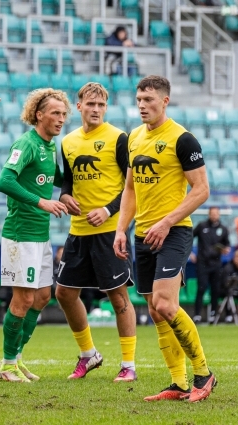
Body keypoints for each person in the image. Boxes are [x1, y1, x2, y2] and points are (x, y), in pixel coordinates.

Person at [113, 75, 216, 403]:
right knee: (155, 311)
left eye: (149, 100)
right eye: (139, 100)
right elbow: (130, 188)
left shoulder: (183, 139)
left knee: (165, 304)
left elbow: (202, 190)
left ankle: (204, 373)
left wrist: (167, 221)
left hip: (174, 231)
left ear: (165, 101)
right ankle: (179, 383)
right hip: (143, 235)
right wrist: (121, 229)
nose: (142, 106)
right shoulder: (133, 138)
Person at [56, 82, 137, 383]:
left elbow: (132, 188)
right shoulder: (67, 142)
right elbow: (66, 181)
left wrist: (107, 209)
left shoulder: (118, 139)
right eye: (90, 104)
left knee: (118, 299)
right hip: (78, 232)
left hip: (109, 232)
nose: (95, 110)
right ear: (79, 107)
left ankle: (128, 364)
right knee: (63, 293)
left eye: (101, 105)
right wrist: (65, 197)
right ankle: (88, 354)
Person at [0, 88, 69, 383]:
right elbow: (4, 180)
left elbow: (57, 178)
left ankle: (16, 357)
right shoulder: (26, 143)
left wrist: (67, 194)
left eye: (64, 114)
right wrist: (42, 201)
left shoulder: (50, 146)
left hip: (41, 234)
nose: (61, 119)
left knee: (42, 296)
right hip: (21, 234)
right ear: (39, 115)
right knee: (24, 299)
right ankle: (7, 364)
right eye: (55, 113)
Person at [191, 206, 230, 323]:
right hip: (202, 263)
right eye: (212, 213)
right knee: (201, 288)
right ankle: (197, 315)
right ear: (209, 214)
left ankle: (213, 314)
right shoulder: (202, 226)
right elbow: (189, 237)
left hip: (216, 263)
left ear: (219, 215)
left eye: (216, 213)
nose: (214, 215)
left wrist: (225, 250)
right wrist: (190, 253)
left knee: (215, 289)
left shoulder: (223, 229)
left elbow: (227, 245)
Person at [220, 249, 238, 322]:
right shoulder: (228, 268)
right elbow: (225, 283)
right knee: (229, 293)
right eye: (237, 258)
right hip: (225, 290)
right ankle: (228, 315)